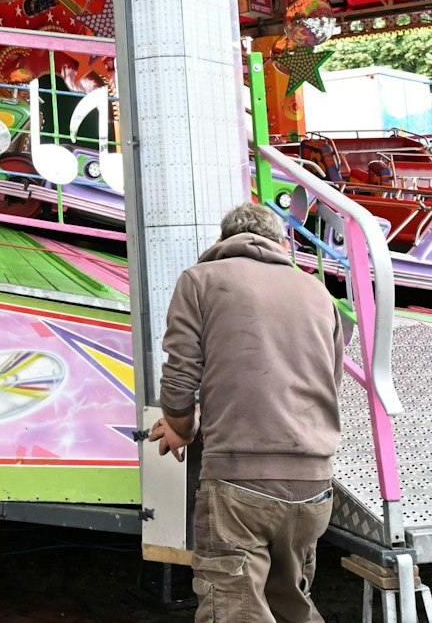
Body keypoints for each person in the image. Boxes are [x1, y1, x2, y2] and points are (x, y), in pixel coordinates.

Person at [148, 202, 345, 623]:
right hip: (314, 487)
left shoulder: (200, 280)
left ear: (222, 242)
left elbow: (179, 378)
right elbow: (329, 382)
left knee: (234, 609)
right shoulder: (317, 292)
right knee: (290, 605)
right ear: (282, 243)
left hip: (240, 485)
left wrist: (181, 427)